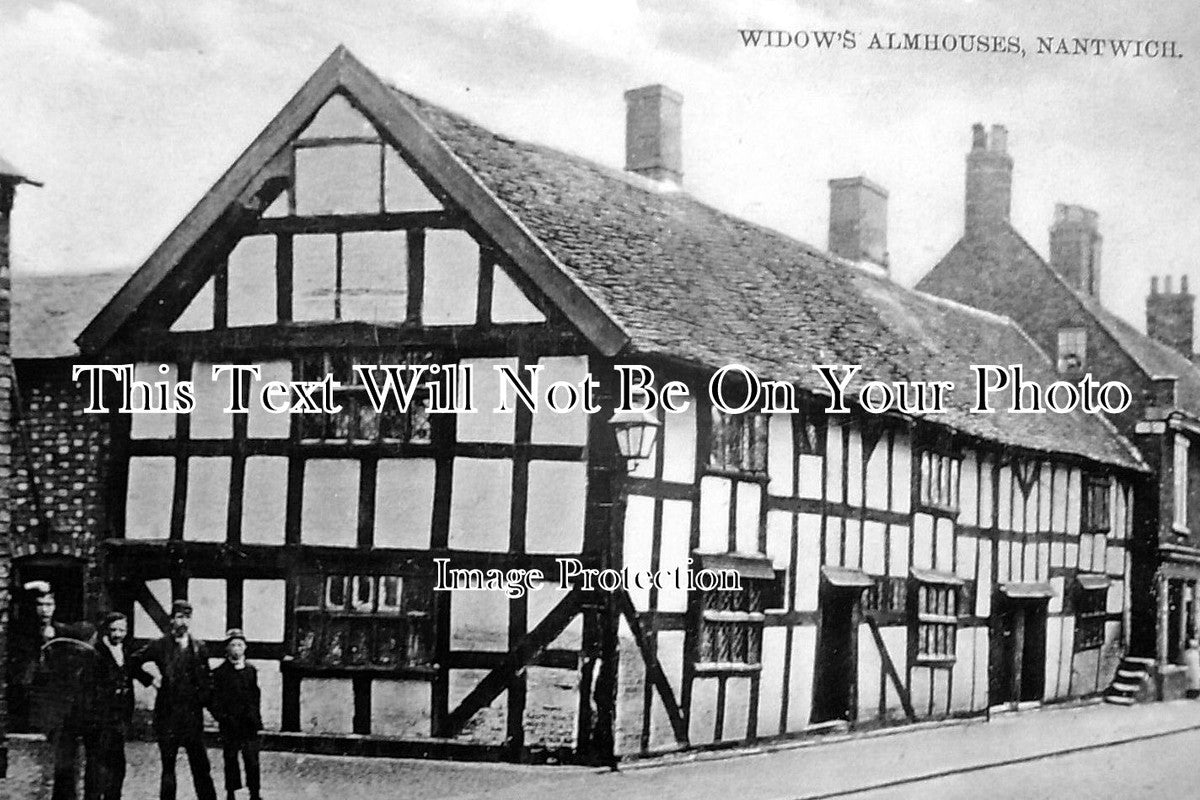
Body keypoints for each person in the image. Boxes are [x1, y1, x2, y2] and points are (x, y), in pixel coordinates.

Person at [13, 581, 93, 800]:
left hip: (57, 703)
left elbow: (87, 630)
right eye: (40, 605)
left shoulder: (61, 630)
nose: (44, 609)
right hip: (36, 702)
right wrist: (32, 585)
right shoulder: (24, 628)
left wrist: (57, 634)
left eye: (49, 604)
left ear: (55, 607)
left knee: (64, 754)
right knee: (49, 757)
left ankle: (65, 795)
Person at [130, 599, 217, 800]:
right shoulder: (160, 645)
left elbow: (206, 680)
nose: (183, 622)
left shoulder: (199, 647)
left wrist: (209, 704)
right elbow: (134, 661)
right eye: (179, 617)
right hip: (167, 716)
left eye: (187, 617)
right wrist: (150, 679)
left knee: (201, 766)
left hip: (192, 717)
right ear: (172, 620)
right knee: (168, 768)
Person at [85, 612, 134, 800]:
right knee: (96, 768)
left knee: (117, 767)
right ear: (107, 630)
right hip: (99, 721)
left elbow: (132, 671)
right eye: (114, 630)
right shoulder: (95, 652)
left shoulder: (125, 651)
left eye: (122, 630)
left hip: (118, 720)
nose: (118, 634)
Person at [210, 629, 263, 800]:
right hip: (230, 724)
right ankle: (231, 793)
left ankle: (254, 792)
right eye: (232, 645)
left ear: (245, 648)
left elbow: (255, 696)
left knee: (252, 760)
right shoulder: (220, 673)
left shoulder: (251, 670)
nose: (236, 649)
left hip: (248, 724)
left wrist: (256, 718)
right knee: (231, 759)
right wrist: (223, 717)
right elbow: (215, 700)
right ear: (227, 649)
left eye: (240, 645)